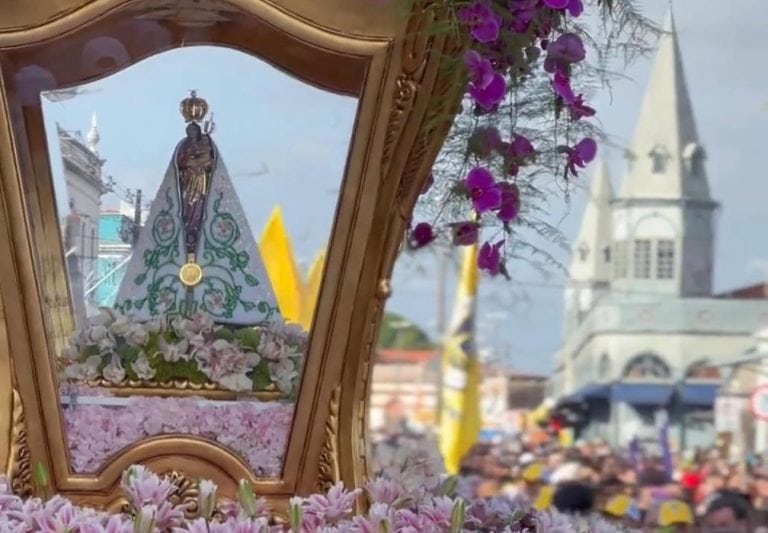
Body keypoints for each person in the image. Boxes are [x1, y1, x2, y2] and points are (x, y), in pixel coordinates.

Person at [114, 91, 279, 325]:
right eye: (189, 131)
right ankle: (189, 233)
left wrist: (199, 161)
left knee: (199, 210)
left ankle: (195, 233)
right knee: (188, 213)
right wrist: (191, 161)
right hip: (188, 184)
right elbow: (180, 163)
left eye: (194, 131)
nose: (191, 134)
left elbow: (209, 162)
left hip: (202, 182)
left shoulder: (207, 145)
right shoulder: (184, 147)